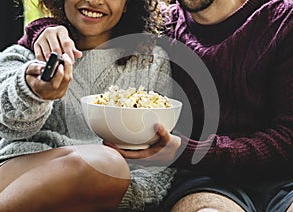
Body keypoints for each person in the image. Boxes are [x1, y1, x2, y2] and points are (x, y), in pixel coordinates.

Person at [21, 0, 293, 211]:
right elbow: (92, 22)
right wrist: (45, 30)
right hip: (206, 184)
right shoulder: (164, 25)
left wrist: (189, 151)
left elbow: (288, 138)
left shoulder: (283, 19)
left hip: (284, 181)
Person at [0, 0, 181, 211]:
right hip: (17, 169)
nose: (94, 1)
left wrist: (119, 191)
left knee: (108, 166)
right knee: (107, 164)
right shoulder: (29, 54)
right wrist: (34, 93)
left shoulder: (151, 62)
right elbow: (7, 125)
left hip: (105, 186)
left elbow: (158, 160)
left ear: (128, 4)